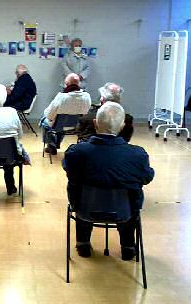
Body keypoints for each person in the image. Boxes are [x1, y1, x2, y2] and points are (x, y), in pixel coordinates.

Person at [63, 102, 155, 260]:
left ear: (95, 123)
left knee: (82, 192)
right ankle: (128, 247)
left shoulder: (76, 152)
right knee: (129, 200)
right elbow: (147, 177)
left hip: (84, 209)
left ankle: (83, 244)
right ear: (122, 127)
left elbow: (69, 170)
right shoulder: (137, 155)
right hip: (124, 212)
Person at [41, 73, 92, 155]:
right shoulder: (87, 96)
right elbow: (86, 112)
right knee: (63, 124)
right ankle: (56, 144)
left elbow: (49, 114)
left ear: (67, 84)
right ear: (79, 84)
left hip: (59, 125)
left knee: (44, 121)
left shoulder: (61, 97)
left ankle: (51, 145)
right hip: (77, 126)